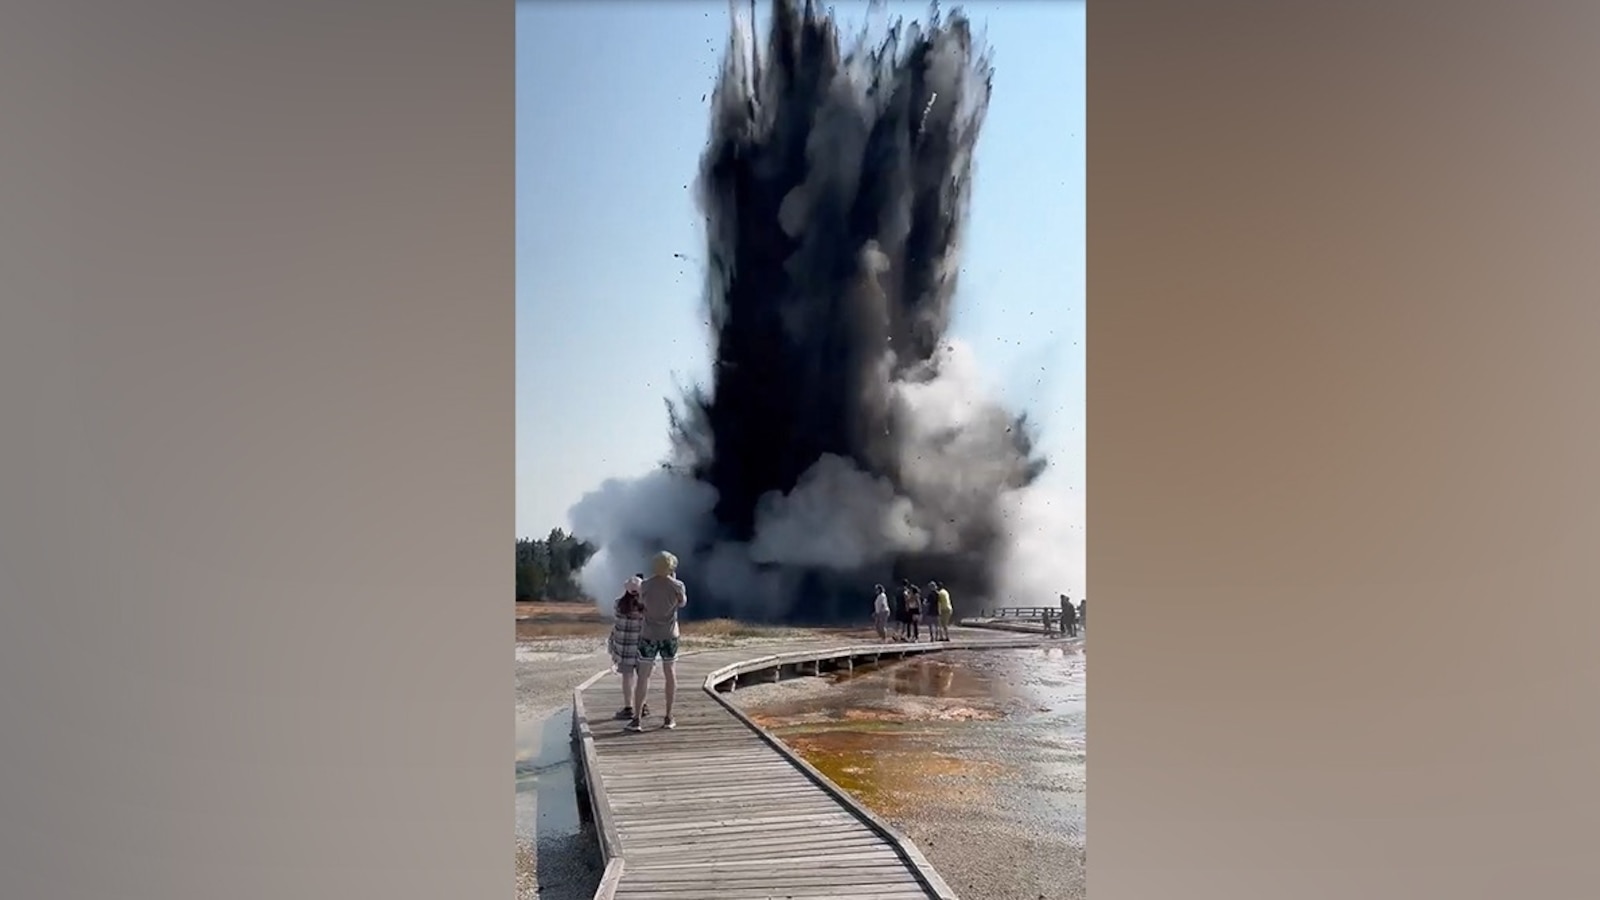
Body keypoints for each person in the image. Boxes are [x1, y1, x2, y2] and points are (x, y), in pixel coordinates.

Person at [629, 550, 687, 732]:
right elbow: (682, 603)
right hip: (669, 635)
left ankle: (637, 718)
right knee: (670, 674)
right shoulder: (678, 585)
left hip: (648, 635)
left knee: (643, 677)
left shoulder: (645, 585)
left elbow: (641, 605)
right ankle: (669, 717)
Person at [607, 577, 647, 720]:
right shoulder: (646, 606)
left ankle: (628, 707)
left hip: (623, 648)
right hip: (642, 648)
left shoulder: (618, 604)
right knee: (643, 678)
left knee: (627, 677)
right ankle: (642, 706)